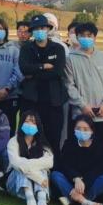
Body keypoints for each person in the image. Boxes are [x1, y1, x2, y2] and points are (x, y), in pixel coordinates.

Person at [63, 21, 103, 173]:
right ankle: (80, 181)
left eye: (89, 35)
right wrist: (82, 105)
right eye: (82, 35)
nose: (86, 38)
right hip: (81, 116)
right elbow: (69, 85)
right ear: (77, 37)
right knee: (81, 153)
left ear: (95, 37)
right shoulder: (70, 59)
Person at [18, 15, 67, 151]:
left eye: (42, 28)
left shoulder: (58, 48)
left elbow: (57, 71)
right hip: (31, 100)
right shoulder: (26, 48)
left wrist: (33, 73)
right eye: (36, 29)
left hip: (53, 102)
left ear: (48, 29)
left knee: (53, 138)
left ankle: (54, 164)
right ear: (32, 31)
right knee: (30, 137)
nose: (40, 31)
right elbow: (24, 68)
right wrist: (42, 66)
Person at [52, 115, 103, 205]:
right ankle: (85, 202)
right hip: (73, 182)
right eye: (78, 128)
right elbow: (65, 165)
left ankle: (73, 199)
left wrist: (84, 182)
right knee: (55, 175)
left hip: (90, 183)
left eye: (85, 129)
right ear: (74, 129)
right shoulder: (69, 143)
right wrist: (76, 178)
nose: (82, 131)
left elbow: (100, 168)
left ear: (92, 131)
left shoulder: (100, 145)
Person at [6, 110, 54, 205]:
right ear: (21, 123)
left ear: (38, 126)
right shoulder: (13, 141)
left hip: (39, 185)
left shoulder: (42, 143)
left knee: (41, 168)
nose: (30, 124)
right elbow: (16, 163)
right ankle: (30, 199)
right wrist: (38, 178)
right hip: (15, 183)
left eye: (33, 122)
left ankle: (42, 200)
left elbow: (49, 162)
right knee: (20, 168)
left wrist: (29, 166)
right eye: (27, 121)